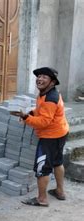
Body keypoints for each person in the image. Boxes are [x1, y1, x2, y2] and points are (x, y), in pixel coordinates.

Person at [11, 67, 69, 207]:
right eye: (39, 76)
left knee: (42, 168)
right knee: (57, 162)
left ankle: (42, 199)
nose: (40, 79)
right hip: (60, 132)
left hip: (50, 136)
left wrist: (25, 117)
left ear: (52, 82)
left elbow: (43, 122)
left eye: (45, 77)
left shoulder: (50, 98)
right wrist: (31, 113)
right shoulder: (46, 93)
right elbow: (41, 110)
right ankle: (60, 191)